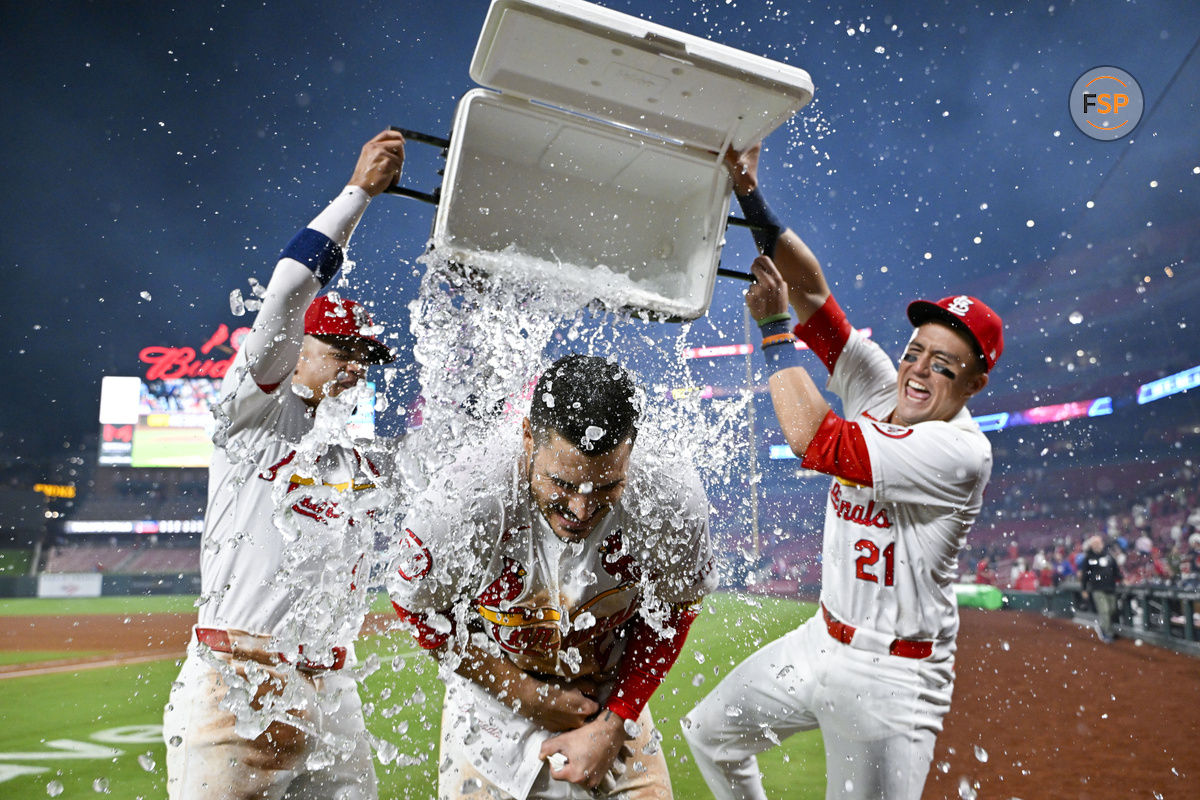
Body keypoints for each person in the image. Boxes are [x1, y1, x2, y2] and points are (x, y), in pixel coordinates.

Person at [682, 143, 1004, 800]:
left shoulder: (960, 451)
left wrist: (773, 334)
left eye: (944, 364)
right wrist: (750, 196)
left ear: (975, 381)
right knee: (709, 733)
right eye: (917, 351)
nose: (918, 370)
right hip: (819, 639)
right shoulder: (885, 385)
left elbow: (815, 440)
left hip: (893, 678)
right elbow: (814, 295)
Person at [163, 129, 406, 800]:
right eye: (342, 349)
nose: (357, 368)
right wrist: (358, 194)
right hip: (232, 685)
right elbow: (292, 282)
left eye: (366, 356)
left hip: (329, 694)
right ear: (295, 343)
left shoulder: (350, 458)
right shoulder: (249, 414)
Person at [388, 354, 717, 800]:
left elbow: (678, 609)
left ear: (631, 454)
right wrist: (524, 693)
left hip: (609, 696)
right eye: (561, 484)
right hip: (492, 703)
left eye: (605, 488)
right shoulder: (463, 500)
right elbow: (416, 609)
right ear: (527, 438)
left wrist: (618, 716)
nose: (581, 511)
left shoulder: (670, 496)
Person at [1080, 534, 1123, 642]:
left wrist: (1122, 579)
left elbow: (1115, 570)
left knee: (1112, 609)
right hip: (1097, 588)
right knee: (1104, 610)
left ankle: (1107, 628)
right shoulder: (1088, 558)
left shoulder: (1108, 556)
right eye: (1095, 543)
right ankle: (1107, 632)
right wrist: (1084, 588)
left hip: (1110, 587)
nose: (1097, 545)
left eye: (1098, 543)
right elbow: (1085, 575)